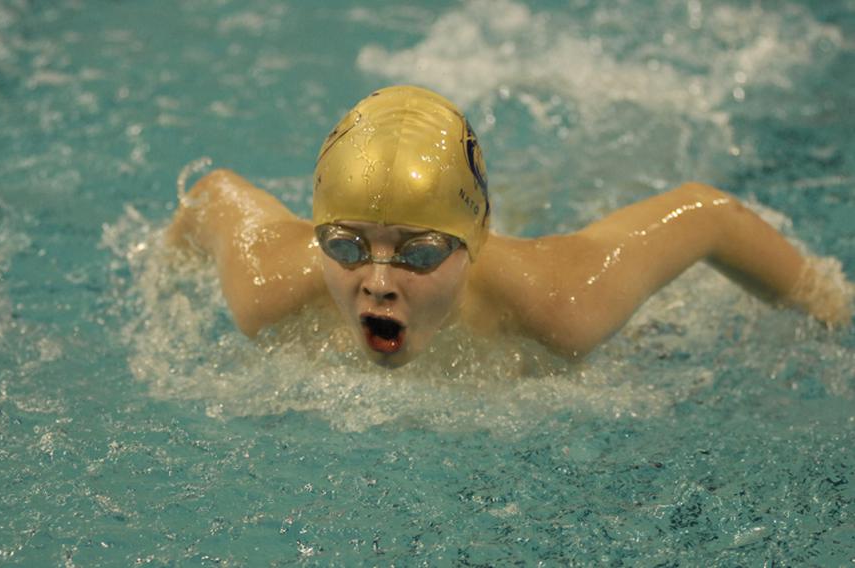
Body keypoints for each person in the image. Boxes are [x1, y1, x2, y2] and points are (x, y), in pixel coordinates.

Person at [167, 85, 851, 367]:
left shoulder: (563, 305)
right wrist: (163, 269)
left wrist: (833, 308)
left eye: (420, 254)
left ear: (473, 243)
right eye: (346, 244)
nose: (376, 282)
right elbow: (213, 194)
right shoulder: (266, 287)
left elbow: (707, 215)